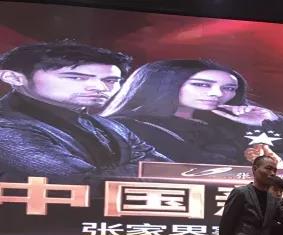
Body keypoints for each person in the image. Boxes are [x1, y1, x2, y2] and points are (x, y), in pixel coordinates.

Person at [0, 41, 168, 184]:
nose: (100, 88)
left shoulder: (110, 126)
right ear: (14, 78)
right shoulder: (5, 125)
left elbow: (168, 170)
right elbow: (84, 183)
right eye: (76, 77)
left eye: (110, 80)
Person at [102, 59, 272, 165]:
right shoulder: (124, 126)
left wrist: (266, 122)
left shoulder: (225, 127)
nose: (218, 94)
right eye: (202, 84)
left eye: (229, 88)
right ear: (164, 84)